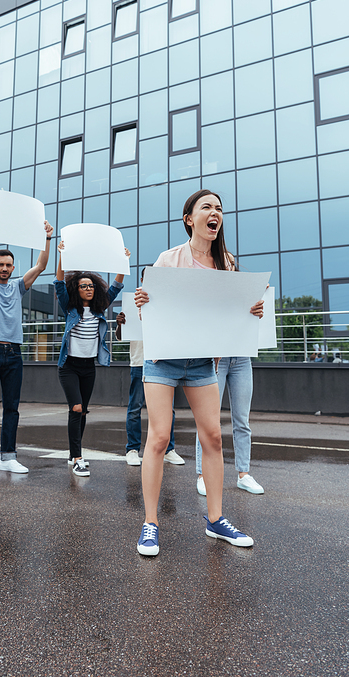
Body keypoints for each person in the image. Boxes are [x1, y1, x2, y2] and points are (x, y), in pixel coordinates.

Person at [134, 189, 264, 555]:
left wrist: (252, 312)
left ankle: (216, 520)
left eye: (219, 208)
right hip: (164, 360)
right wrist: (143, 301)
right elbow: (149, 308)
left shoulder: (227, 262)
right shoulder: (168, 257)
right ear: (190, 218)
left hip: (203, 363)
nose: (215, 212)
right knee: (159, 438)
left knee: (213, 438)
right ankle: (150, 523)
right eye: (206, 207)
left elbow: (234, 313)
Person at [0, 221, 54, 478]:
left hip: (14, 353)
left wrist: (47, 238)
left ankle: (8, 457)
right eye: (0, 265)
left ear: (13, 267)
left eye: (9, 265)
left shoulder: (18, 287)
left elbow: (41, 266)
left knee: (12, 408)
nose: (5, 268)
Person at [54, 242, 127, 477]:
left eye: (91, 286)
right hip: (69, 366)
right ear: (76, 289)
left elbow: (116, 287)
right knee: (75, 408)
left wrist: (123, 263)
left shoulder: (99, 309)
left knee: (82, 411)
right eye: (83, 286)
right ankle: (77, 458)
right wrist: (62, 256)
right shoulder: (70, 308)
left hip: (89, 367)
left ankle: (72, 451)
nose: (88, 289)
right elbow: (58, 284)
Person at [115, 268, 184, 466]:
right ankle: (132, 449)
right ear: (142, 279)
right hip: (140, 362)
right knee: (135, 407)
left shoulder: (168, 301)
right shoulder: (133, 300)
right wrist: (121, 324)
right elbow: (120, 337)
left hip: (163, 362)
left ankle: (168, 449)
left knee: (168, 410)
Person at [195, 357, 264, 496]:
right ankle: (203, 475)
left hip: (242, 358)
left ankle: (243, 475)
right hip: (216, 357)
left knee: (242, 421)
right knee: (207, 421)